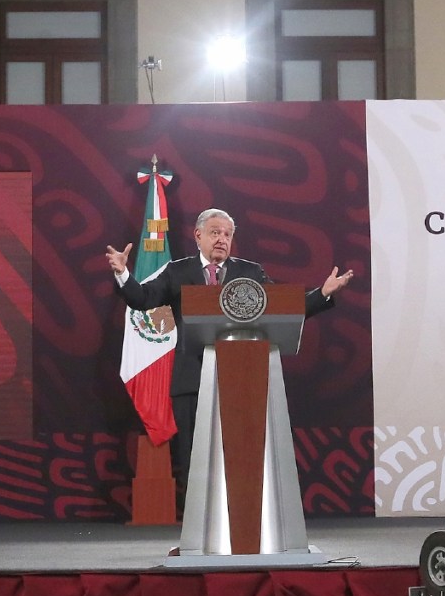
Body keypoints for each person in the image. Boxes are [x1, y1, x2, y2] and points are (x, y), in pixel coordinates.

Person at [106, 207, 353, 491]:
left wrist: (322, 293)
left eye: (227, 234)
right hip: (191, 381)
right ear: (198, 236)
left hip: (240, 382)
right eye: (215, 233)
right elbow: (143, 298)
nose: (222, 239)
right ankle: (198, 531)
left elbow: (283, 308)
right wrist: (124, 273)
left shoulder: (249, 272)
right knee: (193, 461)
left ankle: (239, 528)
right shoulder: (178, 271)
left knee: (239, 460)